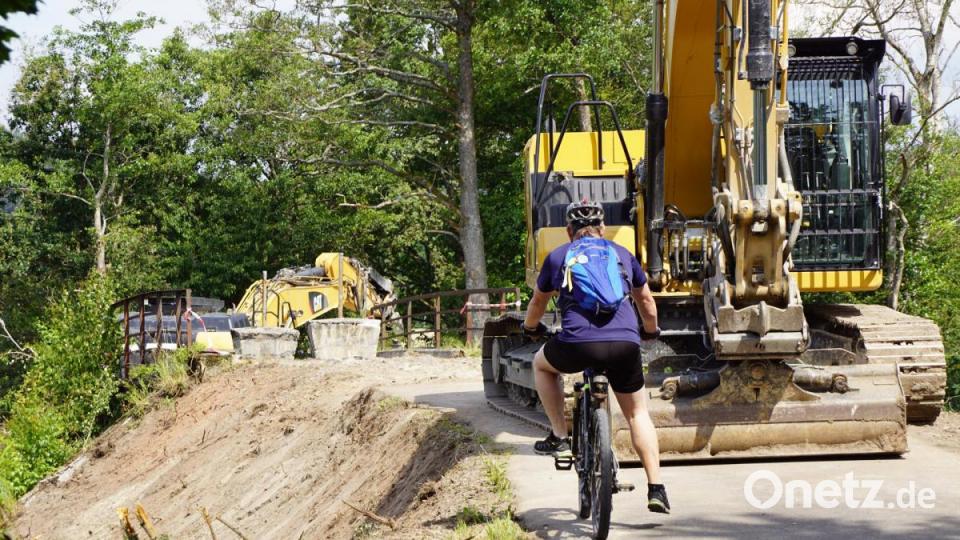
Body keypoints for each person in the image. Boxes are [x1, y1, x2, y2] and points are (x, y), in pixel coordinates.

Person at [521, 200, 669, 514]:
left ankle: (560, 437)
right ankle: (656, 487)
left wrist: (531, 327)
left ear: (568, 231)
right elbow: (646, 301)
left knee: (541, 365)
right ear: (603, 229)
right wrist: (650, 331)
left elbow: (537, 303)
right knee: (637, 413)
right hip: (624, 343)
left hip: (577, 343)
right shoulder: (622, 255)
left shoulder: (559, 255)